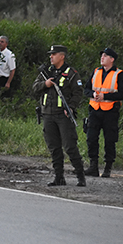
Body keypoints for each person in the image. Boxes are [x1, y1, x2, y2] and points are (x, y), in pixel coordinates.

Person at [32, 45, 86, 187]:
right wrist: (46, 84)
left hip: (63, 115)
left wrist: (71, 107)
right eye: (50, 54)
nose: (51, 56)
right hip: (48, 115)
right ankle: (59, 177)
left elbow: (78, 92)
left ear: (62, 56)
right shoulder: (47, 72)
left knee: (69, 146)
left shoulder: (71, 73)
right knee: (54, 147)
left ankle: (81, 176)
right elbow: (35, 87)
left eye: (54, 54)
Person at [83, 47, 123, 178]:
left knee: (110, 140)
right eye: (102, 55)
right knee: (91, 138)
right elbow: (86, 89)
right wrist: (93, 94)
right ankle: (93, 166)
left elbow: (122, 94)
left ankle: (108, 167)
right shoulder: (96, 71)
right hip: (95, 110)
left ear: (112, 59)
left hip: (110, 112)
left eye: (105, 56)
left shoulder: (119, 74)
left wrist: (105, 96)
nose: (102, 58)